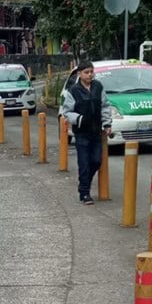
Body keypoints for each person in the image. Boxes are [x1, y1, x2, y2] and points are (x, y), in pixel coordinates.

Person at [61, 60, 112, 205]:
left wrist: (107, 123)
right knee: (84, 163)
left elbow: (105, 106)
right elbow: (67, 112)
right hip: (82, 133)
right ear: (79, 74)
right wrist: (80, 119)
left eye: (91, 72)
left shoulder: (98, 87)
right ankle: (84, 193)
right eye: (86, 72)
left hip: (96, 131)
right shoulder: (73, 91)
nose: (90, 75)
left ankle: (83, 185)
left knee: (96, 161)